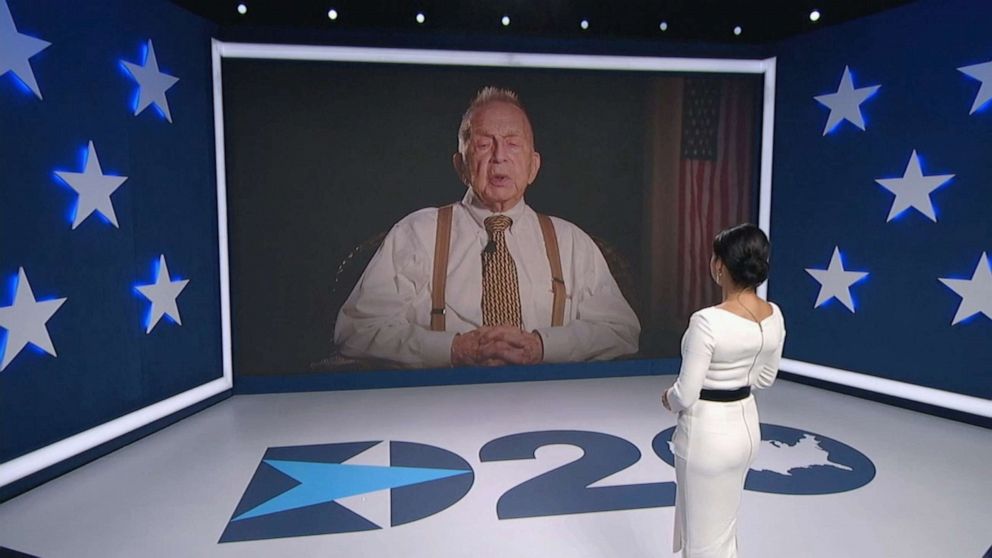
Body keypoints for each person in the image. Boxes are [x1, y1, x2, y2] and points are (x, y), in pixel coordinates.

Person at [334, 87, 640, 368]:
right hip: (441, 407)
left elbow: (621, 332)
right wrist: (453, 349)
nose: (499, 157)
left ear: (533, 166)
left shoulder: (572, 242)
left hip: (549, 406)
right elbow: (357, 331)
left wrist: (542, 347)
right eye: (483, 144)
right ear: (460, 165)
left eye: (512, 144)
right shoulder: (416, 234)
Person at [661, 223, 786, 558]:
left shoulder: (707, 321)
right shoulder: (774, 315)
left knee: (703, 542)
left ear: (720, 265)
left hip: (707, 437)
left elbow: (685, 395)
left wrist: (668, 398)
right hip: (746, 430)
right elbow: (765, 379)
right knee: (723, 531)